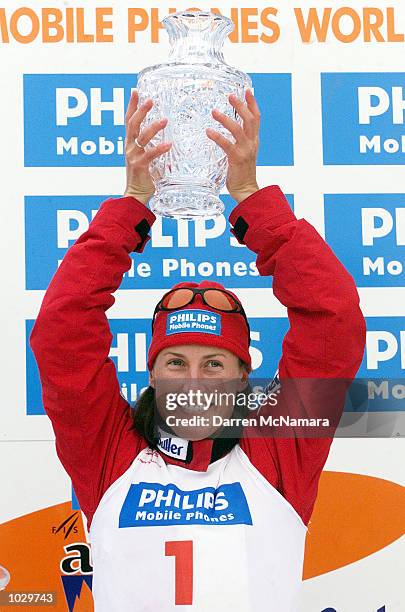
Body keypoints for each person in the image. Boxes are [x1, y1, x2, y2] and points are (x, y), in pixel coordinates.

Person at [29, 89, 366, 611]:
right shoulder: (109, 453)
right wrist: (132, 205)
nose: (193, 381)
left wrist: (251, 196)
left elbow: (334, 320)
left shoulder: (278, 453)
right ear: (153, 375)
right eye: (175, 362)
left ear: (240, 376)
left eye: (214, 363)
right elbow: (61, 332)